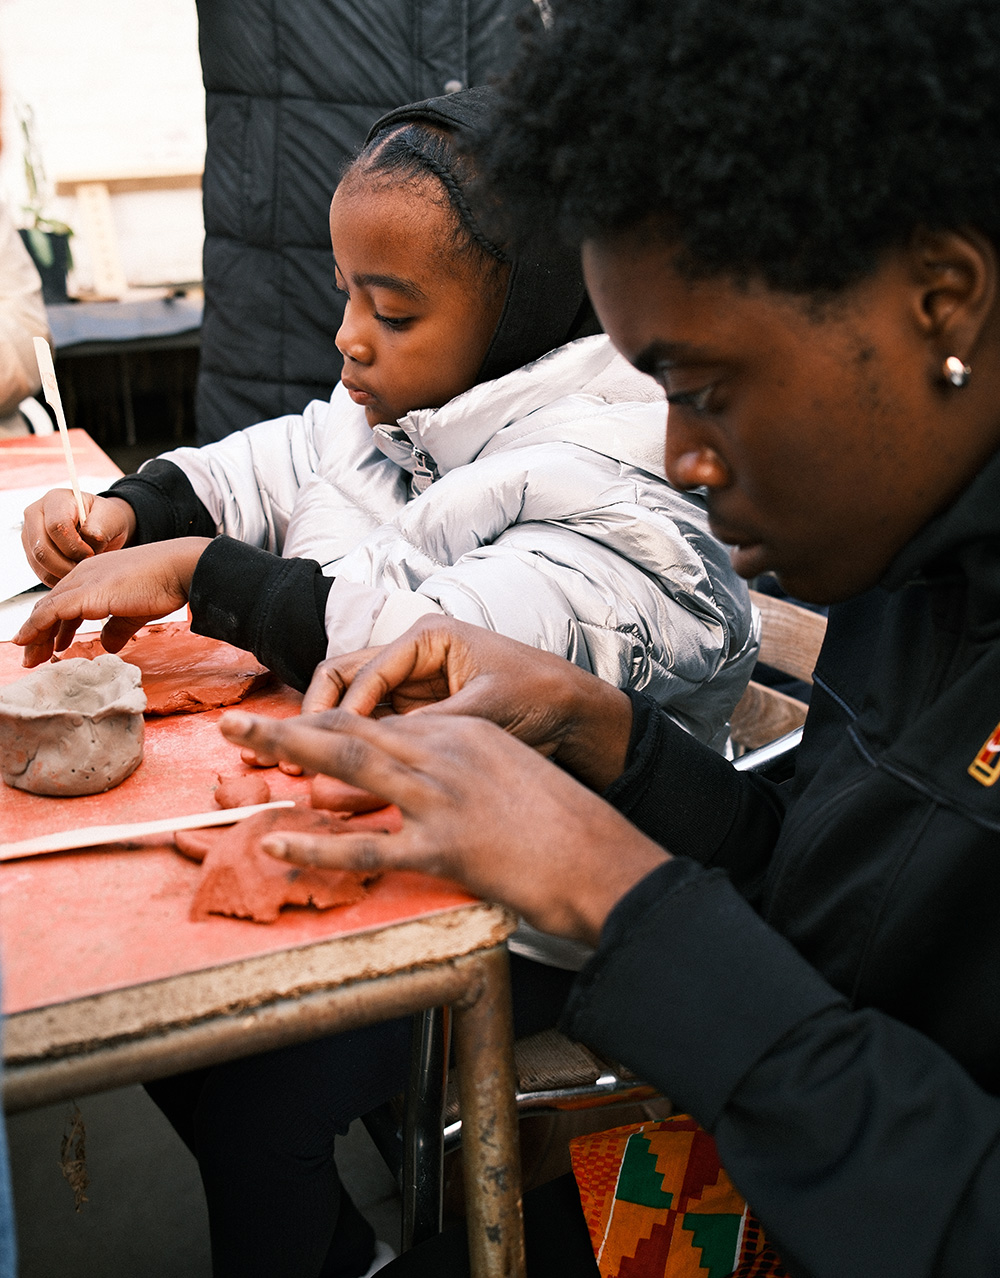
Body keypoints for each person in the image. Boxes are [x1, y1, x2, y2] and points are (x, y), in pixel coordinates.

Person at [213, 1, 1000, 1274]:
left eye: (705, 389)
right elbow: (817, 877)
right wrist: (609, 736)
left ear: (942, 303)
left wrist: (619, 896)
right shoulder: (911, 587)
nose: (684, 458)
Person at [16, 87, 755, 1278]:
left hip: (539, 927)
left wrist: (207, 574)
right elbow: (272, 459)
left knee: (246, 1076)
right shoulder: (405, 406)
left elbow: (441, 646)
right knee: (180, 1030)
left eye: (391, 308)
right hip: (416, 858)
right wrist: (134, 512)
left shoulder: (614, 481)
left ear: (525, 312)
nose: (349, 337)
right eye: (347, 291)